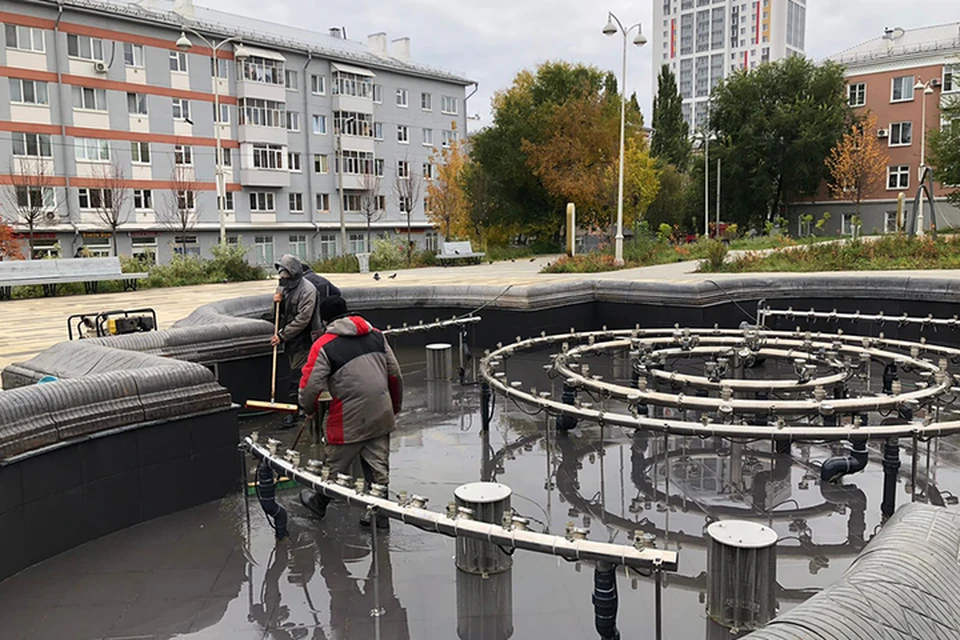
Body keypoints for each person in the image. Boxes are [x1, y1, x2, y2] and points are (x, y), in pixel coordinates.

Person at [298, 295, 403, 529]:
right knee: (378, 467)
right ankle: (380, 514)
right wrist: (394, 406)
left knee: (334, 462)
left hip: (348, 417)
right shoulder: (376, 334)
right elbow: (394, 374)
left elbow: (310, 386)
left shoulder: (323, 345)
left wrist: (308, 409)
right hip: (380, 411)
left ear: (323, 319)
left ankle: (319, 502)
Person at [271, 254, 320, 429]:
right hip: (290, 337)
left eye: (286, 277)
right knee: (295, 371)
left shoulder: (308, 290)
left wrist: (282, 336)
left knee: (297, 373)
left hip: (305, 338)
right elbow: (279, 313)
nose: (283, 281)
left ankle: (298, 409)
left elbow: (303, 319)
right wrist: (277, 302)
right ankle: (297, 406)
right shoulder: (284, 286)